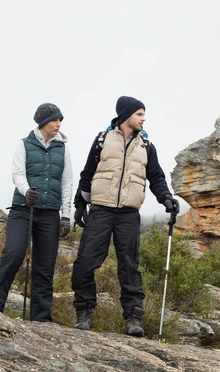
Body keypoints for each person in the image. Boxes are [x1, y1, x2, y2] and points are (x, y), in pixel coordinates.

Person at [71, 95, 179, 336]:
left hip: (129, 214)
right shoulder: (102, 140)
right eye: (139, 114)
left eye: (143, 114)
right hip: (100, 209)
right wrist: (80, 203)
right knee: (85, 261)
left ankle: (133, 319)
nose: (143, 118)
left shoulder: (147, 147)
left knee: (129, 266)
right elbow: (87, 173)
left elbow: (157, 178)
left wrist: (167, 198)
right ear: (126, 115)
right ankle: (84, 313)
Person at [0, 103, 73, 322]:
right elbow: (17, 173)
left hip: (50, 213)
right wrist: (26, 191)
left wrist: (66, 215)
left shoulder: (63, 148)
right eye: (54, 120)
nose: (58, 124)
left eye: (60, 120)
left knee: (44, 267)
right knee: (13, 255)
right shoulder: (24, 144)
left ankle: (41, 319)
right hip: (23, 210)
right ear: (43, 122)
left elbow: (67, 181)